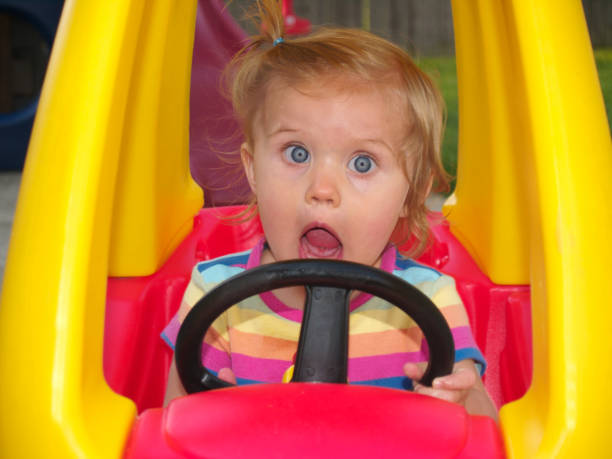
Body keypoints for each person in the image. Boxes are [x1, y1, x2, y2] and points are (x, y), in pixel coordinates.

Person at [162, 0, 497, 420]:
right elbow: (172, 426)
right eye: (297, 153)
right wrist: (210, 411)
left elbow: (486, 430)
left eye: (362, 163)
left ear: (410, 193)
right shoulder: (214, 296)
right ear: (252, 169)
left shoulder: (430, 300)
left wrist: (457, 403)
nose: (322, 190)